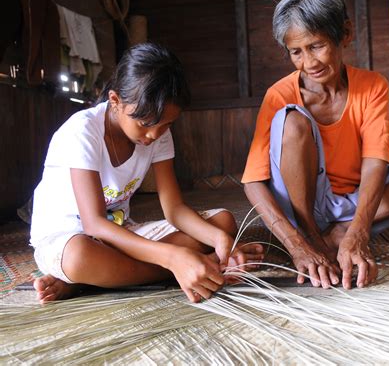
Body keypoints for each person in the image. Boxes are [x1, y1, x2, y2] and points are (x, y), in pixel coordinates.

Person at [242, 0, 389, 290]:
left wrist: (357, 233)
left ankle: (341, 233)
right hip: (302, 207)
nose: (309, 63)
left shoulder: (372, 85)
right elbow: (253, 183)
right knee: (292, 121)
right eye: (296, 52)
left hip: (351, 203)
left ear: (345, 34)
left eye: (316, 46)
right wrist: (300, 246)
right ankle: (315, 237)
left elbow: (375, 161)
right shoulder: (280, 94)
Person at [30, 43, 263, 304]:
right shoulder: (82, 132)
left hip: (120, 235)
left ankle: (94, 280)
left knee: (222, 222)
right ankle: (170, 269)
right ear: (115, 101)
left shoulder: (158, 131)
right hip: (67, 239)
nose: (154, 135)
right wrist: (173, 257)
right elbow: (94, 224)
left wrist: (220, 241)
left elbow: (174, 209)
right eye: (145, 124)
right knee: (78, 257)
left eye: (167, 124)